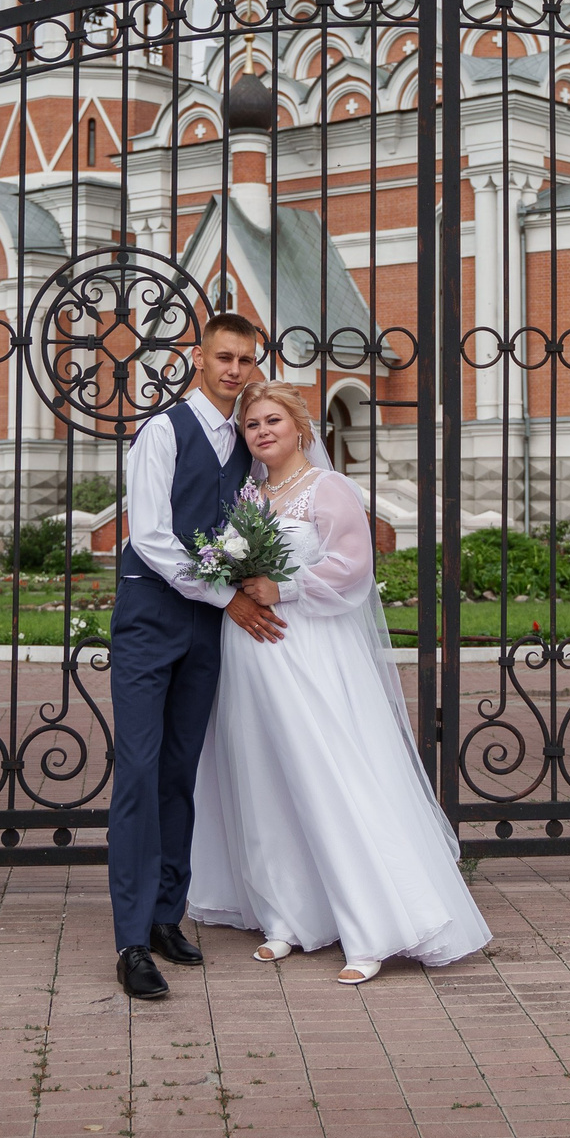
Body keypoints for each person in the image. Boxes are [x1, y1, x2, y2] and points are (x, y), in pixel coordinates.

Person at [188, 379, 491, 985]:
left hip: (309, 650)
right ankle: (285, 918)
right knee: (262, 777)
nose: (263, 431)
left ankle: (372, 927)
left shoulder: (330, 489)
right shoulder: (249, 492)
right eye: (252, 424)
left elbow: (353, 570)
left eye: (274, 420)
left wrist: (286, 587)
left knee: (328, 775)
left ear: (302, 427)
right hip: (251, 655)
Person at [106, 313, 281, 1002]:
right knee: (139, 773)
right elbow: (148, 532)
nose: (234, 369)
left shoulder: (245, 444)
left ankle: (163, 917)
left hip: (207, 630)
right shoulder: (162, 431)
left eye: (245, 359)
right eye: (224, 357)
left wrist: (251, 583)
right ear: (197, 358)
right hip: (152, 619)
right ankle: (128, 941)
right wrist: (225, 595)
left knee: (181, 773)